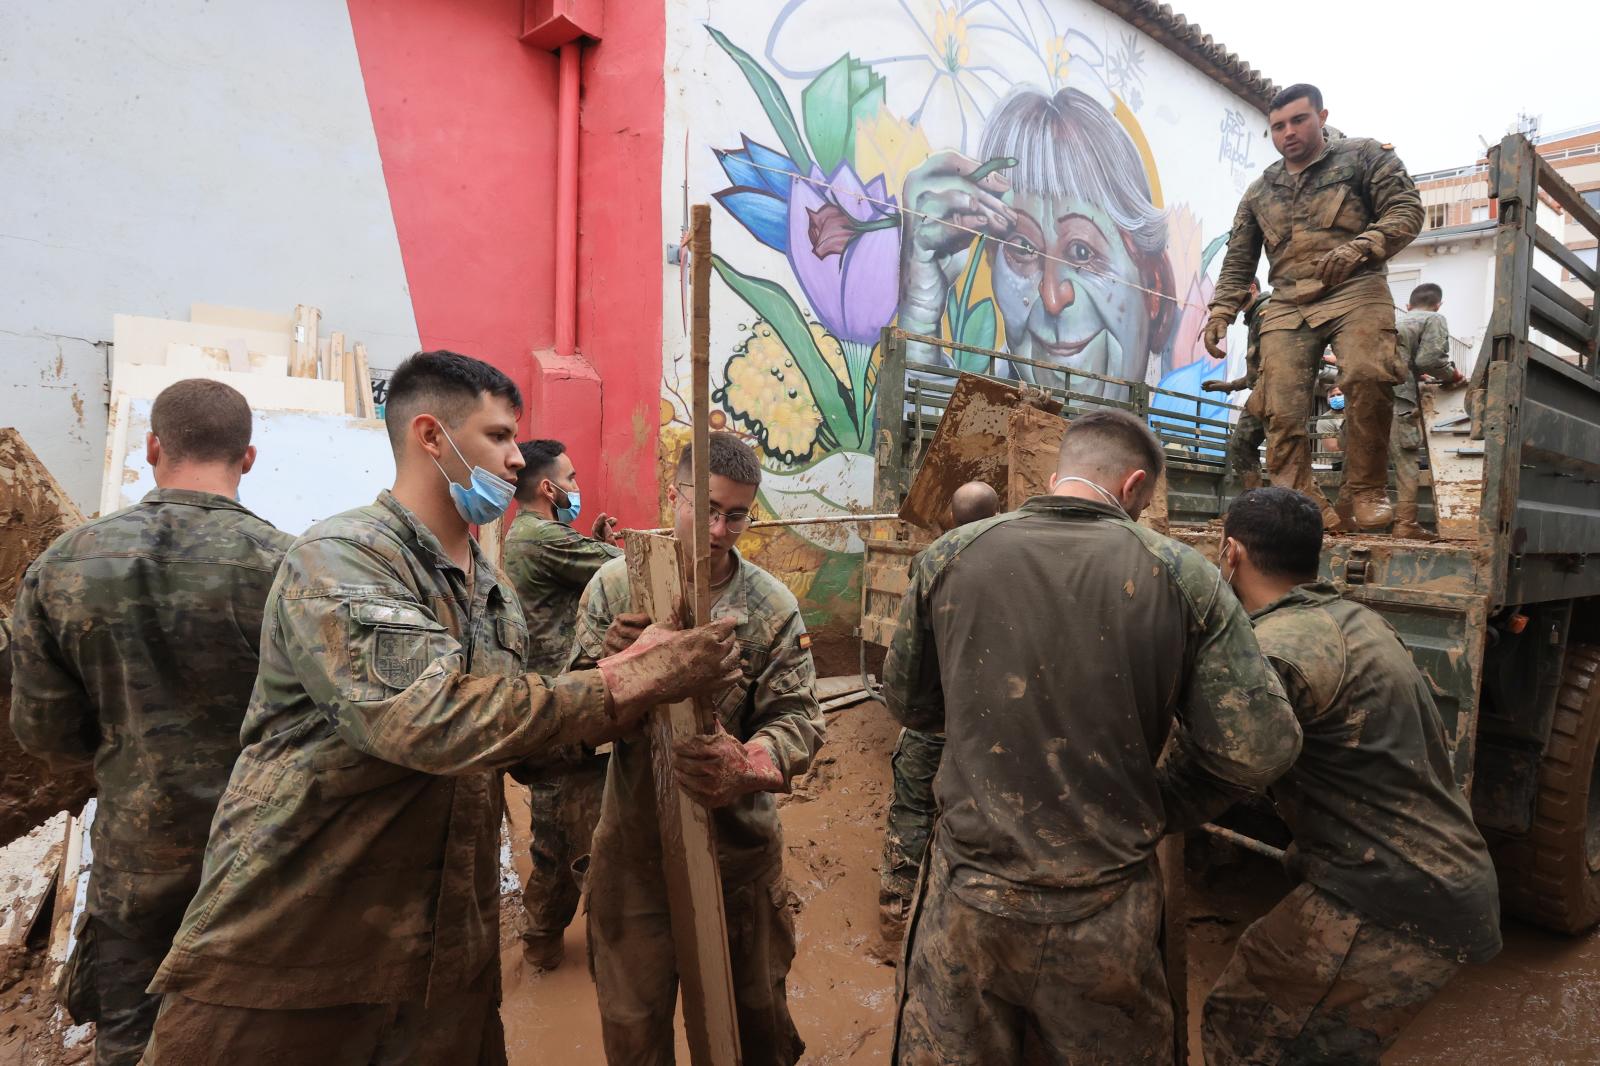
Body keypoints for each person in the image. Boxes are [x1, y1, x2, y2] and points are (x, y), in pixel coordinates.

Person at [138, 351, 741, 1065]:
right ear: (431, 435)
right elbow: (432, 720)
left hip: (443, 962)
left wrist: (611, 675)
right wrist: (627, 683)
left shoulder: (490, 592)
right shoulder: (342, 559)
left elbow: (517, 743)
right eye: (498, 437)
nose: (519, 460)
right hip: (296, 953)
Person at [884, 409, 1301, 1063]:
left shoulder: (949, 558)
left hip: (970, 902)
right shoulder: (1187, 578)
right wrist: (1160, 800)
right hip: (1108, 913)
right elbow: (1261, 746)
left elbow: (910, 703)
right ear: (1136, 486)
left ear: (1057, 476)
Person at [8, 380, 293, 1066]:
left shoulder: (63, 567)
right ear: (248, 458)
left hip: (136, 851)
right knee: (262, 1032)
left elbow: (42, 733)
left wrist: (122, 757)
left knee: (132, 1032)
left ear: (152, 446)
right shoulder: (291, 568)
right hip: (260, 853)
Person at [1206, 488, 1501, 1064]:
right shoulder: (1355, 620)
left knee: (1247, 1029)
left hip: (1392, 895)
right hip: (1435, 876)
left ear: (1231, 553)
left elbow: (1216, 770)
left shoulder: (1278, 650)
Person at [575, 431, 825, 1066]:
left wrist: (749, 764)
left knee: (753, 1027)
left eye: (736, 514)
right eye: (705, 507)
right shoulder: (615, 591)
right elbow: (568, 723)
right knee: (634, 1032)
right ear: (673, 493)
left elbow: (798, 718)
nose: (717, 529)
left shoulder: (769, 605)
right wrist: (612, 672)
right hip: (635, 856)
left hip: (737, 858)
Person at [1204, 83, 1424, 532]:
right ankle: (1301, 501)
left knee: (1368, 374)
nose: (1289, 132)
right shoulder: (1260, 190)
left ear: (1322, 117)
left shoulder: (1364, 157)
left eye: (1299, 120)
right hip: (1287, 299)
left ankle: (1365, 491)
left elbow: (1405, 210)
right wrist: (1220, 312)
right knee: (1278, 407)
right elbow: (1239, 259)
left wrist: (1363, 247)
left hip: (1356, 286)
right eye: (1278, 126)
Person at [899, 85, 1176, 395]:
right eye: (1023, 248)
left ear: (1155, 290)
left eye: (1082, 252)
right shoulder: (989, 429)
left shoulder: (1178, 435)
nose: (1052, 297)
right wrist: (920, 322)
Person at [501, 439, 622, 971]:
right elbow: (626, 566)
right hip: (559, 710)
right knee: (561, 834)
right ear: (548, 488)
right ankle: (543, 940)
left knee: (572, 823)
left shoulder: (530, 535)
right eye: (571, 480)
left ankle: (548, 939)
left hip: (558, 703)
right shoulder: (539, 538)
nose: (577, 489)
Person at [880, 480, 1000, 944]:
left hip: (937, 714)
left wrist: (916, 717)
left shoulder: (931, 561)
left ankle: (895, 918)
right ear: (997, 513)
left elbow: (906, 661)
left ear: (951, 515)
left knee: (912, 808)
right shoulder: (1022, 562)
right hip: (991, 723)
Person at [1393, 283, 1465, 538]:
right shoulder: (1433, 318)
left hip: (1369, 395)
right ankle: (1406, 524)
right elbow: (1430, 360)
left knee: (1364, 456)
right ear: (1438, 304)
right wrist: (1453, 375)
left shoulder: (1395, 322)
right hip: (1398, 398)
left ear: (1408, 305)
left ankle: (1347, 516)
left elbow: (1409, 361)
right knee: (1406, 458)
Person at [1203, 279, 1270, 489]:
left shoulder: (1265, 312)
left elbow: (1275, 364)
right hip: (1265, 390)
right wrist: (1230, 385)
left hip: (1275, 392)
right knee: (1241, 444)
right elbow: (1258, 371)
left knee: (1282, 449)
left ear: (1251, 287)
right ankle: (1256, 501)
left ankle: (1312, 511)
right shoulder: (1254, 317)